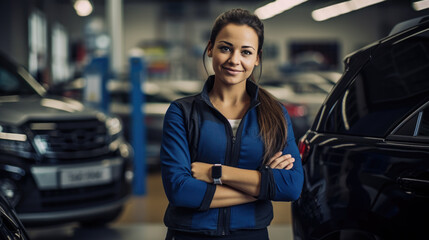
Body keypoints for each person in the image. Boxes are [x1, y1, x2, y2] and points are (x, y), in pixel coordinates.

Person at [160, 8, 304, 240]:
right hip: (190, 234)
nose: (234, 60)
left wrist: (216, 172)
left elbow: (292, 186)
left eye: (246, 52)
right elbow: (180, 191)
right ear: (210, 48)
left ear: (257, 58)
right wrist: (263, 187)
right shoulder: (182, 112)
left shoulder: (274, 113)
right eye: (225, 48)